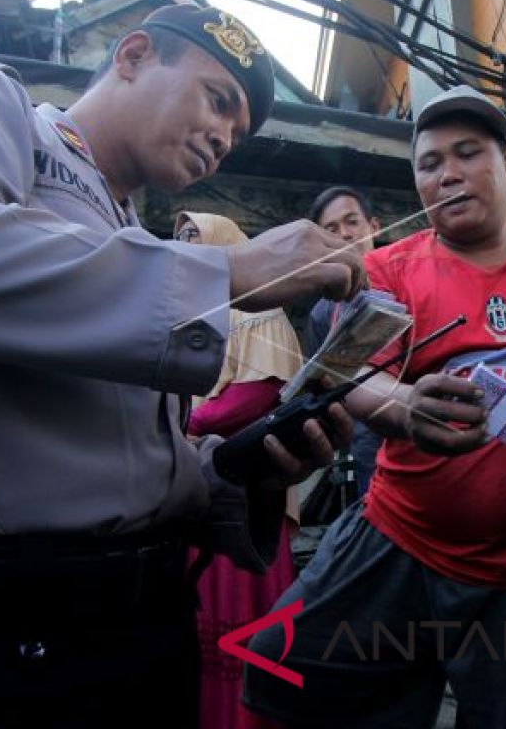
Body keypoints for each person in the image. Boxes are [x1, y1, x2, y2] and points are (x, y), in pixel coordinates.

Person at [0, 3, 363, 727]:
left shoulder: (131, 237)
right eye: (218, 100)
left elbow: (106, 459)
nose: (225, 136)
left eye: (239, 130)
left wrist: (232, 475)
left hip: (133, 626)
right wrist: (220, 269)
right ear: (130, 56)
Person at [244, 85, 506, 728]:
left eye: (469, 153)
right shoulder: (388, 270)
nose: (447, 173)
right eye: (429, 162)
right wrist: (402, 404)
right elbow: (349, 372)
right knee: (278, 667)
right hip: (397, 540)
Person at [176, 211, 301, 729]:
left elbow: (261, 392)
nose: (185, 247)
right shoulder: (185, 313)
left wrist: (184, 420)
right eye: (178, 239)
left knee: (243, 624)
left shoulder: (259, 304)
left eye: (195, 238)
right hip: (190, 484)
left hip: (245, 493)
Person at [303, 187, 384, 495]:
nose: (345, 235)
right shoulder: (323, 313)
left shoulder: (414, 281)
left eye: (352, 222)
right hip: (369, 448)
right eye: (331, 230)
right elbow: (319, 387)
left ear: (374, 226)